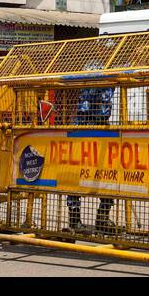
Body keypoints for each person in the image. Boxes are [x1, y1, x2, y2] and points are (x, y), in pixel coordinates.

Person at [62, 79, 116, 235]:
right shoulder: (98, 75)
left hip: (96, 131)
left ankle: (101, 217)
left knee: (107, 176)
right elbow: (89, 108)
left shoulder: (107, 71)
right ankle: (76, 219)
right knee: (75, 176)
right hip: (86, 130)